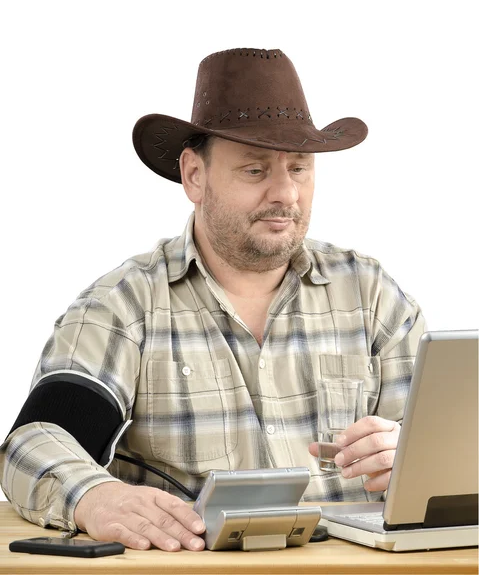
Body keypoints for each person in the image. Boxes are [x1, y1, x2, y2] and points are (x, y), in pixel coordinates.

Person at [0, 48, 426, 552]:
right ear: (194, 176)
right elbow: (33, 442)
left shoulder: (373, 298)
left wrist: (419, 462)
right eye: (254, 170)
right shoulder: (124, 307)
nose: (286, 193)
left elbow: (453, 452)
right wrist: (95, 497)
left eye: (299, 168)